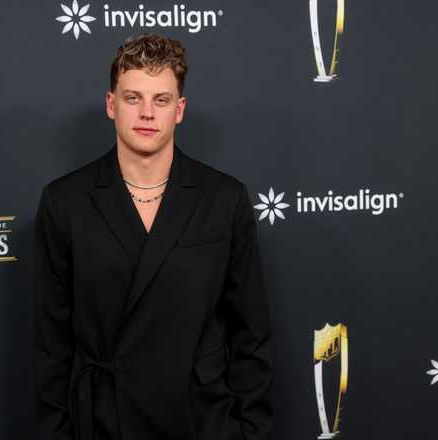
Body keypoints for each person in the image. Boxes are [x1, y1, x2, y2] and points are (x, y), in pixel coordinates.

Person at [34, 33, 272, 440]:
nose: (147, 113)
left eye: (160, 100)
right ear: (111, 105)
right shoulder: (65, 201)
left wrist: (251, 431)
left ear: (179, 110)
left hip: (202, 420)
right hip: (107, 421)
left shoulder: (224, 198)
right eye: (132, 98)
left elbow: (250, 334)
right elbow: (50, 346)